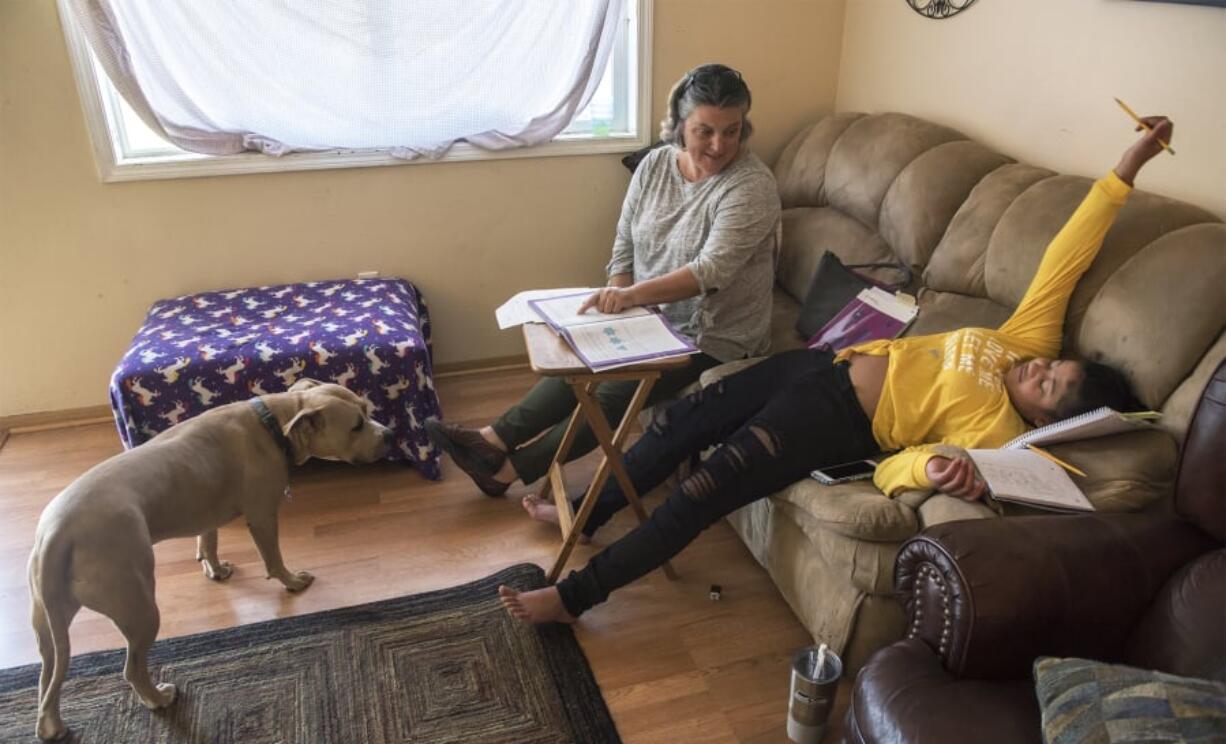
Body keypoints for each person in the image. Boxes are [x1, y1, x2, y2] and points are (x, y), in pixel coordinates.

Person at [498, 115, 1173, 625]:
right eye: (1053, 365)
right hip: (819, 366)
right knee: (677, 423)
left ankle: (574, 597)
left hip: (837, 422)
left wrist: (933, 470)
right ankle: (593, 515)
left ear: (1049, 420)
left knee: (703, 491)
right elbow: (1066, 257)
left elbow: (894, 470)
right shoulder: (1021, 340)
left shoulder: (996, 432)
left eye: (1048, 387)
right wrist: (1126, 168)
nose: (1038, 371)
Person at [426, 64, 781, 497]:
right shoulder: (655, 165)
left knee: (613, 392)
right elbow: (626, 238)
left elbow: (711, 271)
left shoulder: (751, 187)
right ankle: (492, 440)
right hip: (649, 313)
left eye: (732, 131)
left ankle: (505, 472)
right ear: (680, 126)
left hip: (711, 335)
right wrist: (620, 294)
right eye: (704, 131)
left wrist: (630, 296)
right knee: (579, 360)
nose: (718, 144)